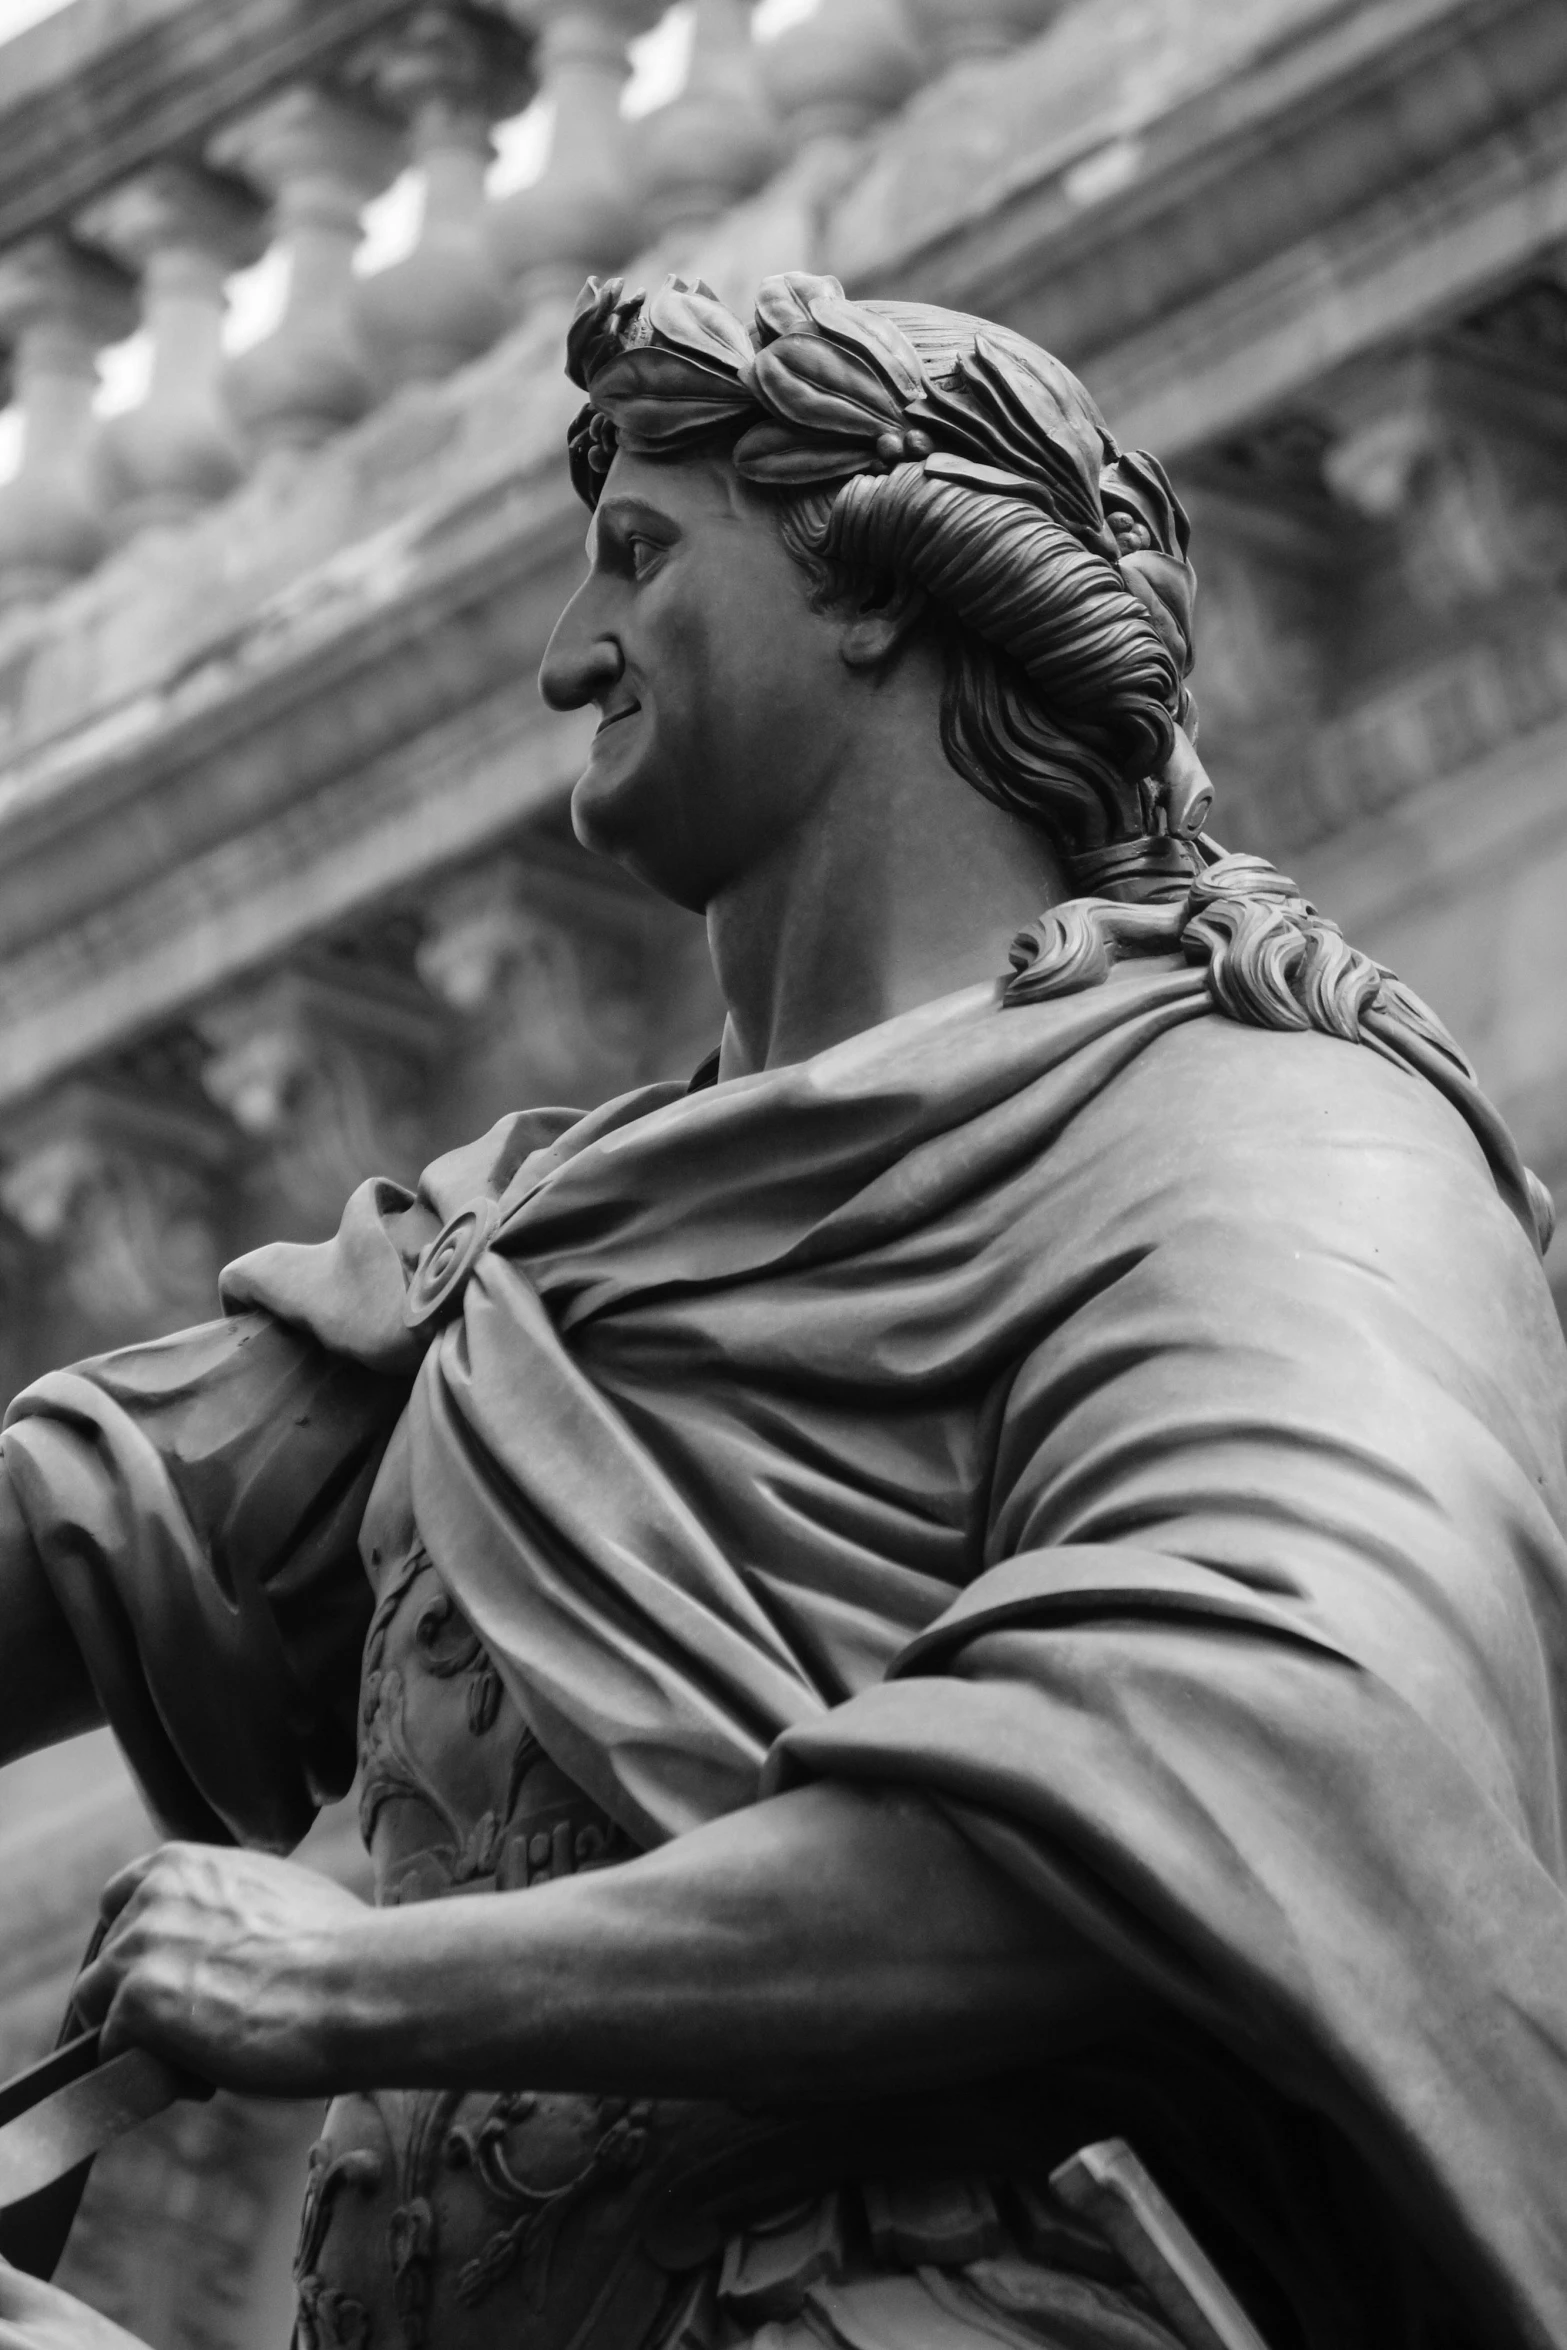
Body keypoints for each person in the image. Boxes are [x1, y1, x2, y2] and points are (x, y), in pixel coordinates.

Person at [0, 271, 1563, 2350]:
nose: (568, 656)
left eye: (639, 557)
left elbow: (1236, 1762)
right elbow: (96, 1510)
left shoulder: (1265, 1136)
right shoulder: (531, 1244)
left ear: (879, 583)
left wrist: (366, 1979)